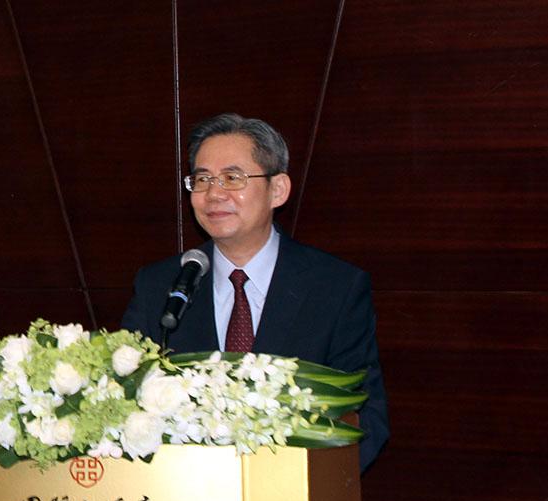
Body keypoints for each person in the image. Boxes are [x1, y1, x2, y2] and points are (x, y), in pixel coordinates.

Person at [122, 113, 388, 470]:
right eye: (202, 179)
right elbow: (126, 404)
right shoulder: (161, 286)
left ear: (277, 190)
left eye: (233, 178)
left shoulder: (334, 288)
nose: (214, 193)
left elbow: (365, 418)